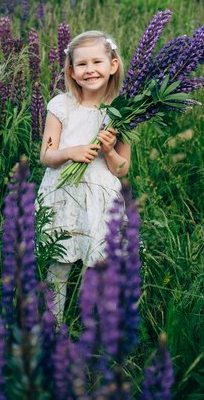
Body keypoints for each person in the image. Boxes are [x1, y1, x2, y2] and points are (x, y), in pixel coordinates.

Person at [38, 30, 131, 323]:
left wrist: (109, 150)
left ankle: (98, 329)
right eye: (82, 64)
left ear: (113, 65)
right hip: (63, 195)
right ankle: (54, 326)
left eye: (97, 62)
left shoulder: (122, 112)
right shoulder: (61, 106)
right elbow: (46, 155)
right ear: (72, 71)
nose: (90, 70)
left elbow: (122, 168)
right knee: (59, 262)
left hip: (100, 198)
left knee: (100, 262)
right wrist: (71, 152)